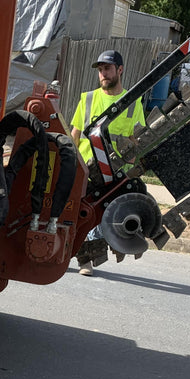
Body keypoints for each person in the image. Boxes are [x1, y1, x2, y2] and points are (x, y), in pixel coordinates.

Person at [69, 50, 146, 276]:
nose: (103, 73)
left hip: (115, 172)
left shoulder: (132, 103)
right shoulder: (89, 98)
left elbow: (135, 140)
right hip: (86, 169)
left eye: (107, 69)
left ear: (119, 70)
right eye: (100, 70)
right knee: (80, 214)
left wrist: (130, 169)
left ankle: (94, 255)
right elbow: (74, 135)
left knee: (103, 215)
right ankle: (84, 260)